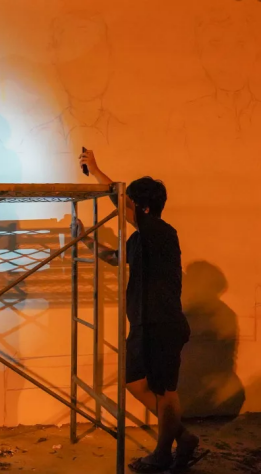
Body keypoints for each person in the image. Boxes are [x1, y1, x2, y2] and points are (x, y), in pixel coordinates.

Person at [75, 150, 204, 473]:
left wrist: (97, 170)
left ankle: (162, 454)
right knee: (134, 382)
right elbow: (115, 258)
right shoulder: (138, 241)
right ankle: (183, 437)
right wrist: (86, 241)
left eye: (130, 202)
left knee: (164, 390)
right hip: (144, 324)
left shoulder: (161, 232)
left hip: (162, 323)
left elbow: (121, 204)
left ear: (143, 208)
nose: (125, 207)